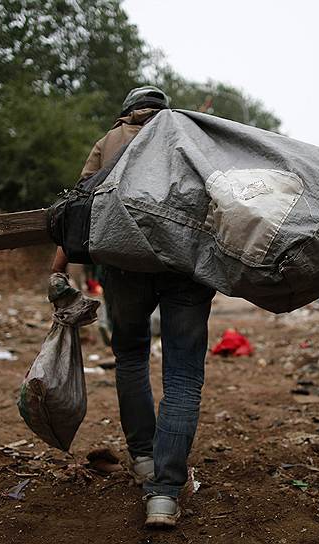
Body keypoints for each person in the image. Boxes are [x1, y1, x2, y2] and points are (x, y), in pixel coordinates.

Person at [50, 86, 215, 529]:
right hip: (187, 271)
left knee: (131, 358)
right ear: (164, 112)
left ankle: (143, 459)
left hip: (124, 269)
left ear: (125, 114)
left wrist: (58, 271)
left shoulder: (108, 143)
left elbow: (77, 210)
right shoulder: (189, 134)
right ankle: (164, 494)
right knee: (183, 375)